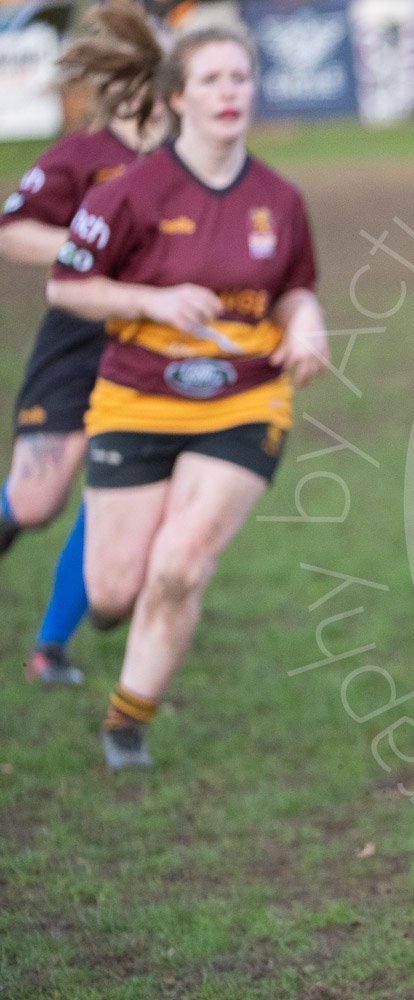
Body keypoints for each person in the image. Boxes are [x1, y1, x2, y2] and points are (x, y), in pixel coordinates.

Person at [47, 17, 327, 771]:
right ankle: (108, 608)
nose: (230, 92)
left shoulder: (279, 197)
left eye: (241, 77)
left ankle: (126, 722)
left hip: (244, 402)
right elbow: (66, 286)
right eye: (212, 79)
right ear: (176, 97)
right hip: (135, 400)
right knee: (110, 592)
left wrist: (307, 328)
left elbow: (296, 289)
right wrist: (150, 303)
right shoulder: (128, 194)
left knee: (180, 564)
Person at [0, 0, 168, 686]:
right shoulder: (84, 155)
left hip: (151, 354)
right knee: (38, 500)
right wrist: (93, 247)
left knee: (112, 490)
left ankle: (49, 648)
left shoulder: (192, 162)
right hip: (77, 344)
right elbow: (12, 234)